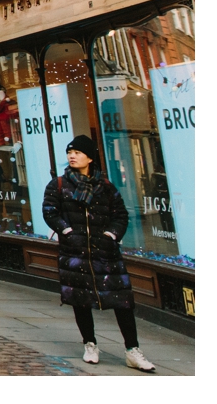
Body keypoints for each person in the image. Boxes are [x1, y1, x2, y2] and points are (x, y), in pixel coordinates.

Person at [42, 135, 156, 372]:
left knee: (122, 301)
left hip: (105, 252)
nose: (72, 156)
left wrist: (111, 236)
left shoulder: (105, 187)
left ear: (90, 157)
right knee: (80, 299)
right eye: (69, 152)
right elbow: (50, 212)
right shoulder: (59, 185)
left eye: (77, 152)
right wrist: (67, 231)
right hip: (75, 251)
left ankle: (132, 350)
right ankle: (90, 344)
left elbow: (120, 214)